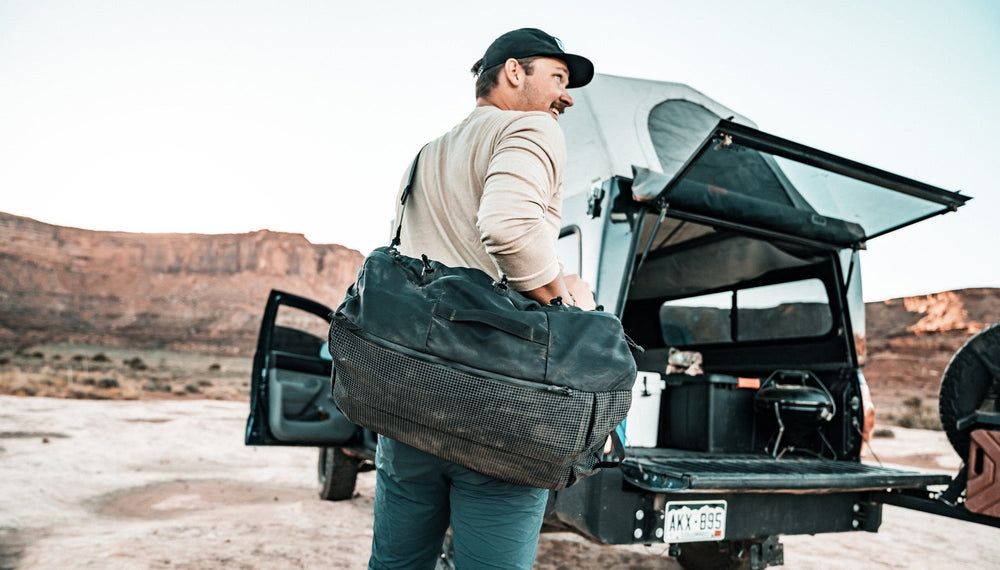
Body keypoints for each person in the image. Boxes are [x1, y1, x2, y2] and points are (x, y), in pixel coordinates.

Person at [369, 28, 595, 570]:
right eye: (558, 78)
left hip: (410, 400)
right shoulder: (531, 128)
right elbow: (509, 229)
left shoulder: (425, 156)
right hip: (496, 404)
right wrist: (563, 303)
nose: (566, 97)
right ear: (515, 73)